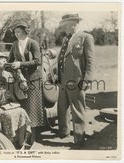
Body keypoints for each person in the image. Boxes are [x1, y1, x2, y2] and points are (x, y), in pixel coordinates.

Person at [55, 14, 94, 148]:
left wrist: (87, 80)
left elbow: (90, 61)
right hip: (63, 79)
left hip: (76, 79)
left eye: (65, 25)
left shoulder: (85, 37)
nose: (64, 27)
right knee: (62, 107)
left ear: (73, 24)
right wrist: (56, 74)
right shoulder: (66, 39)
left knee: (77, 109)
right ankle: (63, 132)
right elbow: (61, 58)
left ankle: (79, 138)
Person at [0, 52, 31, 149]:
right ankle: (9, 144)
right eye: (1, 58)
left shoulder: (9, 74)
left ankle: (21, 143)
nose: (5, 60)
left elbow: (24, 88)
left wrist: (19, 75)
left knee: (22, 112)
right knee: (8, 116)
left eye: (5, 59)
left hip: (9, 104)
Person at [8, 20, 46, 144]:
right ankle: (23, 134)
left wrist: (20, 64)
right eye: (15, 32)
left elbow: (37, 61)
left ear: (25, 31)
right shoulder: (14, 45)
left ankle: (32, 137)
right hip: (21, 80)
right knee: (23, 106)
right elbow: (10, 60)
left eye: (19, 31)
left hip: (34, 78)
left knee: (32, 107)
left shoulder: (33, 43)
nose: (16, 34)